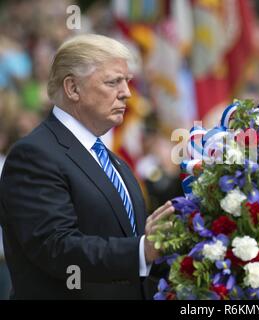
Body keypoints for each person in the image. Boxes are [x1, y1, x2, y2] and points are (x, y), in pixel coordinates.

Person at [0, 34, 174, 299]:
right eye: (113, 82)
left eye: (126, 82)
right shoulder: (34, 155)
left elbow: (132, 245)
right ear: (72, 88)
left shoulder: (111, 159)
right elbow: (56, 248)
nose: (127, 93)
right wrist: (142, 250)